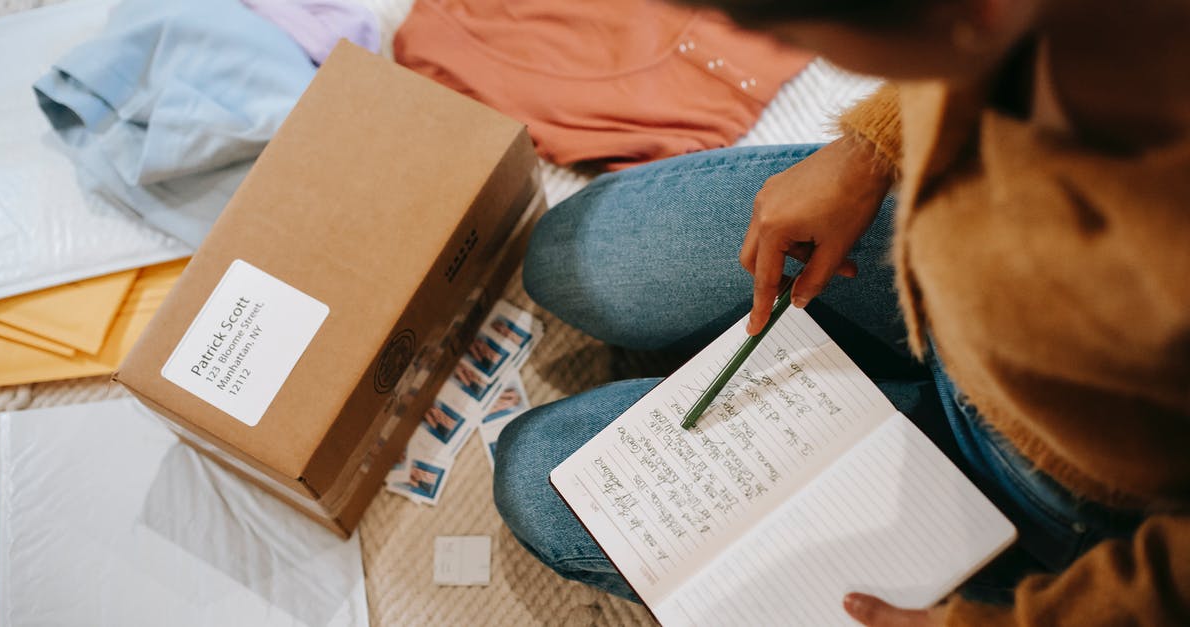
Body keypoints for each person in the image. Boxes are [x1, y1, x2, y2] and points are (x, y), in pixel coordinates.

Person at [492, 0, 1190, 625]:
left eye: (796, 33)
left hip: (1060, 482)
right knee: (573, 257)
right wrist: (871, 148)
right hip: (922, 257)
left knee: (540, 475)